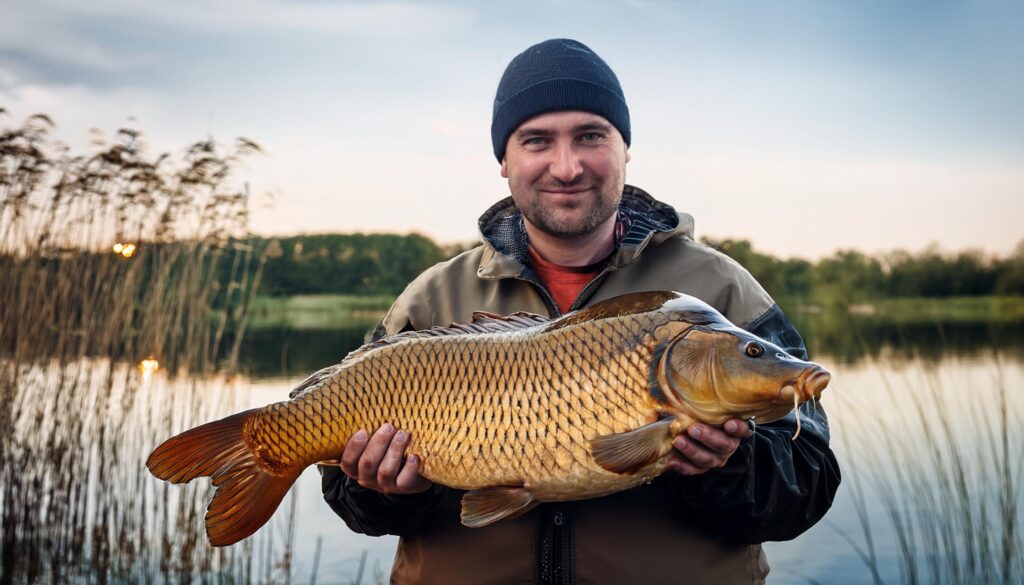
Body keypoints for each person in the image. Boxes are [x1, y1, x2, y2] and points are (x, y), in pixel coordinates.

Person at [316, 38, 841, 584]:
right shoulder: (431, 298)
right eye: (537, 140)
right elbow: (354, 507)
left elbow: (808, 488)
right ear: (504, 159)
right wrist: (385, 490)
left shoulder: (722, 290)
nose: (566, 167)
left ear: (625, 148)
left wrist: (730, 465)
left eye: (590, 136)